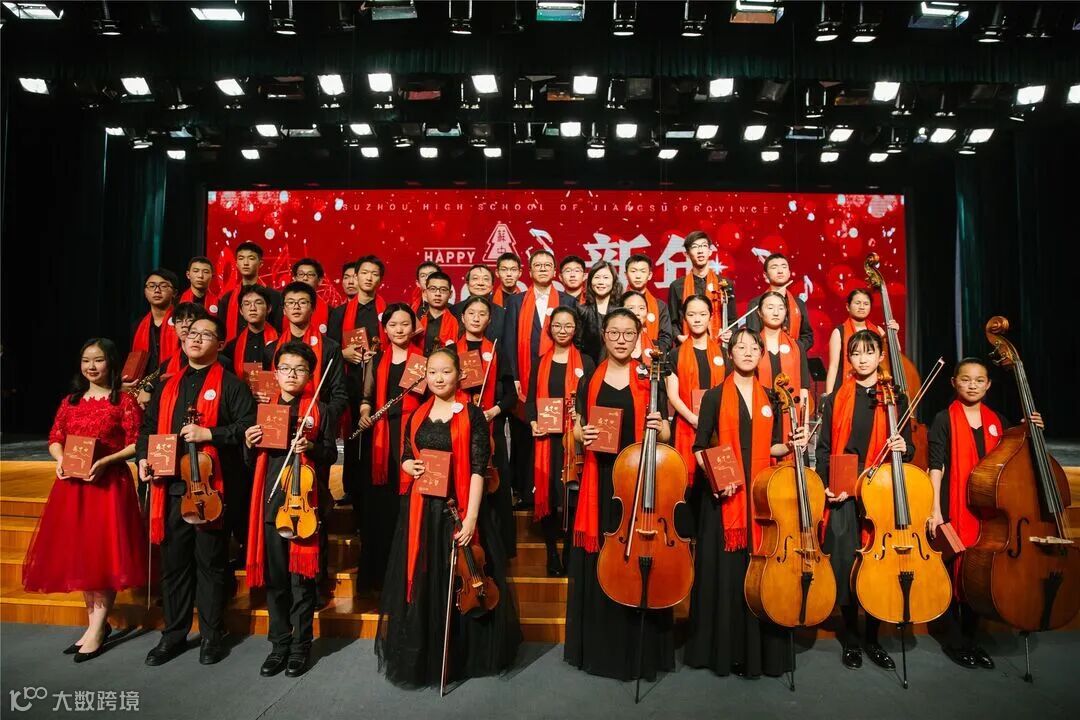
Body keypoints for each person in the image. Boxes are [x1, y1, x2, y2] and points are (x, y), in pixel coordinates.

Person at [375, 348, 521, 688]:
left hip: (460, 509)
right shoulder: (417, 414)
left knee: (463, 578)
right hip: (423, 511)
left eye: (445, 372)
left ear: (459, 375)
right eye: (432, 372)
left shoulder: (472, 415)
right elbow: (407, 454)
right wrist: (407, 465)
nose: (438, 378)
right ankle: (429, 654)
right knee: (427, 579)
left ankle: (464, 656)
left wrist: (471, 519)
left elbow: (478, 469)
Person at [137, 316, 256, 667]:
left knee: (210, 565)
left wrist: (210, 434)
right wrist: (143, 459)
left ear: (220, 344)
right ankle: (173, 634)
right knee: (174, 565)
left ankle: (211, 635)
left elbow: (248, 425)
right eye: (191, 333)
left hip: (210, 490)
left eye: (205, 334)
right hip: (171, 487)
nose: (195, 339)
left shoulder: (232, 385)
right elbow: (147, 429)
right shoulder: (166, 386)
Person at [687, 328, 805, 677]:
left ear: (761, 354)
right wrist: (716, 479)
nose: (748, 351)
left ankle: (760, 655)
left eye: (754, 347)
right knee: (725, 576)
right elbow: (699, 447)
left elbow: (773, 447)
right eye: (741, 346)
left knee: (760, 574)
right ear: (731, 353)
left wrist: (791, 444)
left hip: (761, 499)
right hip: (723, 501)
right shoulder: (713, 396)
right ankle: (724, 653)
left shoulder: (771, 397)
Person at [565, 309, 674, 680]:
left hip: (639, 482)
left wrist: (660, 427)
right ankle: (602, 649)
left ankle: (639, 651)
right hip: (601, 482)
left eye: (629, 333)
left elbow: (666, 435)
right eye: (614, 333)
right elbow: (577, 430)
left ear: (639, 336)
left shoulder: (649, 379)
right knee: (604, 559)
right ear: (604, 335)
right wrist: (582, 435)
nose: (621, 340)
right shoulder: (589, 380)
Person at [23, 338, 148, 663]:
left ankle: (96, 629)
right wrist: (60, 459)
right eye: (86, 360)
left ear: (111, 363)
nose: (91, 366)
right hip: (73, 487)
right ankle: (95, 623)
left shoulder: (124, 401)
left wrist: (105, 461)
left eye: (98, 360)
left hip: (107, 486)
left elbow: (137, 443)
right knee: (82, 553)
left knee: (102, 553)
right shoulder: (71, 401)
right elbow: (55, 437)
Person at [926, 357, 1044, 670]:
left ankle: (971, 639)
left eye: (979, 380)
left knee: (979, 573)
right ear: (954, 382)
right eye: (966, 379)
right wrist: (934, 509)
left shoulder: (997, 420)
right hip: (954, 506)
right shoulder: (943, 418)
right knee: (955, 570)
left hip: (989, 509)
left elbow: (1016, 455)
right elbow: (936, 466)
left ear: (988, 384)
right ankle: (955, 641)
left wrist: (1030, 429)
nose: (972, 385)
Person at [815, 329, 912, 670]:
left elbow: (909, 449)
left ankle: (873, 637)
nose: (863, 359)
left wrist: (904, 446)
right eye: (856, 353)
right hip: (843, 486)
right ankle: (851, 638)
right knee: (845, 561)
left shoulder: (894, 396)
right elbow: (824, 449)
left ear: (881, 356)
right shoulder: (835, 398)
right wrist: (827, 485)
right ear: (849, 359)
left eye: (869, 352)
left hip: (880, 487)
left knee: (878, 562)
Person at [243, 341, 338, 678]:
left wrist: (310, 445)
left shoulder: (321, 410)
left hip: (306, 506)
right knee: (277, 582)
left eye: (299, 369)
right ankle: (279, 644)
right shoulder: (263, 409)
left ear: (310, 375)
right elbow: (250, 462)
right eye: (285, 368)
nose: (292, 375)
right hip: (271, 505)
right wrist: (248, 444)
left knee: (302, 583)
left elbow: (330, 454)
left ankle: (301, 646)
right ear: (276, 372)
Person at [355, 304, 422, 591]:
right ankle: (379, 578)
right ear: (385, 329)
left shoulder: (422, 361)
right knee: (381, 508)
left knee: (405, 507)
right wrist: (364, 412)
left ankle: (406, 577)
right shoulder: (377, 358)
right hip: (381, 438)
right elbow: (367, 396)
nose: (399, 329)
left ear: (413, 327)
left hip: (411, 437)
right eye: (393, 325)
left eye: (405, 324)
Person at [504, 250, 576, 510]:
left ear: (555, 271)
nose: (543, 269)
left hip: (557, 375)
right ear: (530, 270)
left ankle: (557, 492)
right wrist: (514, 375)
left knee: (557, 437)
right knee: (524, 435)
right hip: (525, 379)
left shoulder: (568, 300)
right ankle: (526, 493)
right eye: (538, 265)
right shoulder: (516, 301)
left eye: (548, 265)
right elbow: (509, 339)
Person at [526, 306, 594, 576]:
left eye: (568, 326)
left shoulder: (586, 362)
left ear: (575, 329)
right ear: (549, 328)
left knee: (571, 495)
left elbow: (591, 399)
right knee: (551, 495)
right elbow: (530, 401)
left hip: (574, 441)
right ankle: (551, 552)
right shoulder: (540, 362)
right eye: (557, 326)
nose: (562, 330)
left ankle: (568, 550)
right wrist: (533, 422)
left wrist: (581, 420)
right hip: (547, 441)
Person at [328, 254, 387, 522]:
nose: (369, 278)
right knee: (352, 440)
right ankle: (351, 490)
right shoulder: (340, 313)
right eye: (364, 273)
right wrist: (344, 353)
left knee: (376, 438)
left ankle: (376, 488)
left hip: (379, 384)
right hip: (349, 383)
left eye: (374, 273)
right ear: (356, 276)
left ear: (380, 279)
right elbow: (329, 349)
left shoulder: (387, 312)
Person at [459, 295, 518, 559]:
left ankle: (496, 553)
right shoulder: (451, 351)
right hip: (460, 427)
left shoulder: (496, 350)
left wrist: (493, 411)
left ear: (489, 319)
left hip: (491, 428)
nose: (476, 318)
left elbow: (511, 396)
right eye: (471, 313)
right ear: (462, 317)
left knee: (496, 489)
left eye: (482, 314)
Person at [265, 282, 348, 423]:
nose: (296, 307)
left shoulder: (330, 347)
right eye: (290, 302)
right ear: (284, 310)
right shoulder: (271, 349)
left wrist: (323, 417)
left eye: (302, 302)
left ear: (313, 308)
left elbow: (339, 394)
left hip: (316, 421)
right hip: (277, 422)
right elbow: (268, 390)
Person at [666, 295, 725, 491]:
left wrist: (709, 422)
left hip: (717, 430)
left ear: (711, 317)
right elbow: (672, 395)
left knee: (715, 486)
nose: (697, 319)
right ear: (684, 318)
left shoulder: (723, 354)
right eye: (691, 314)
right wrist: (693, 419)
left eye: (702, 314)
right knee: (686, 490)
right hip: (686, 424)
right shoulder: (675, 354)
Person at [754, 291, 811, 443]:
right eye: (770, 307)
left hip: (791, 417)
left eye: (781, 308)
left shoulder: (797, 347)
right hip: (760, 413)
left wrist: (805, 427)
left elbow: (803, 389)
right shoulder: (752, 346)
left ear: (786, 312)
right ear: (760, 312)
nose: (776, 312)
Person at [667, 230, 735, 342]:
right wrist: (679, 337)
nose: (700, 251)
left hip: (717, 345)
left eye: (704, 246)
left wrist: (730, 333)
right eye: (694, 247)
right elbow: (672, 322)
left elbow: (732, 321)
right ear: (687, 254)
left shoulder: (724, 284)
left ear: (710, 251)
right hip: (686, 345)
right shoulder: (677, 286)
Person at [824, 288, 895, 394]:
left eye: (866, 304)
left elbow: (896, 352)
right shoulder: (839, 332)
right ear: (848, 306)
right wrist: (828, 396)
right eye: (857, 303)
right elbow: (833, 367)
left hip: (874, 388)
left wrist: (893, 333)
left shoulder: (877, 330)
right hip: (846, 387)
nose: (862, 307)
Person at [744, 253, 814, 354]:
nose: (780, 271)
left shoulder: (799, 304)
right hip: (766, 357)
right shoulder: (756, 303)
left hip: (794, 357)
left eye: (784, 267)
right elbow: (753, 336)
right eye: (774, 267)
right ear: (765, 275)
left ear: (789, 273)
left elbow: (807, 336)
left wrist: (794, 348)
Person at [218, 242, 283, 342]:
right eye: (241, 258)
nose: (245, 263)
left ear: (260, 264)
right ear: (236, 264)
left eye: (251, 258)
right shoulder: (227, 298)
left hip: (267, 347)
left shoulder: (274, 296)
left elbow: (278, 327)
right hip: (233, 349)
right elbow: (220, 331)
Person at [130, 268, 179, 376]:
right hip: (144, 382)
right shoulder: (137, 325)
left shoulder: (182, 321)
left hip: (176, 379)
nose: (157, 290)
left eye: (163, 286)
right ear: (145, 292)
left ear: (174, 293)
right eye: (152, 286)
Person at [223, 285, 278, 375]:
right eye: (247, 304)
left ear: (268, 308)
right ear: (241, 311)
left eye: (258, 303)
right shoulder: (232, 347)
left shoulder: (281, 342)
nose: (252, 308)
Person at [624, 253, 673, 353]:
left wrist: (646, 349)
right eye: (633, 271)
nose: (638, 276)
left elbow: (666, 339)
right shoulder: (617, 303)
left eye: (643, 271)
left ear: (649, 275)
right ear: (626, 275)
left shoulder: (660, 306)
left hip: (652, 357)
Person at [577, 261, 623, 364]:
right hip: (588, 366)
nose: (601, 282)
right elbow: (577, 344)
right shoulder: (582, 311)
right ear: (590, 281)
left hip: (617, 365)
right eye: (597, 277)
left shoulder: (621, 310)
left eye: (606, 277)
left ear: (613, 281)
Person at [451, 264, 505, 343]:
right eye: (475, 278)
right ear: (467, 284)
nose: (480, 283)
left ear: (492, 285)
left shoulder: (503, 314)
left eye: (486, 279)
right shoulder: (453, 311)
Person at [416, 271, 459, 354]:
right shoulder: (416, 320)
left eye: (443, 290)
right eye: (433, 289)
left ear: (450, 294)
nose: (438, 294)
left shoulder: (458, 322)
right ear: (425, 293)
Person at [287, 258, 330, 336]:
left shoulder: (331, 312)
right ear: (294, 279)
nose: (305, 278)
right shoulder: (282, 307)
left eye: (310, 275)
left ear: (320, 281)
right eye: (301, 274)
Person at [620, 291, 657, 365]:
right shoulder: (612, 344)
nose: (637, 313)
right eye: (631, 308)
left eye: (641, 308)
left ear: (647, 312)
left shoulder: (655, 346)